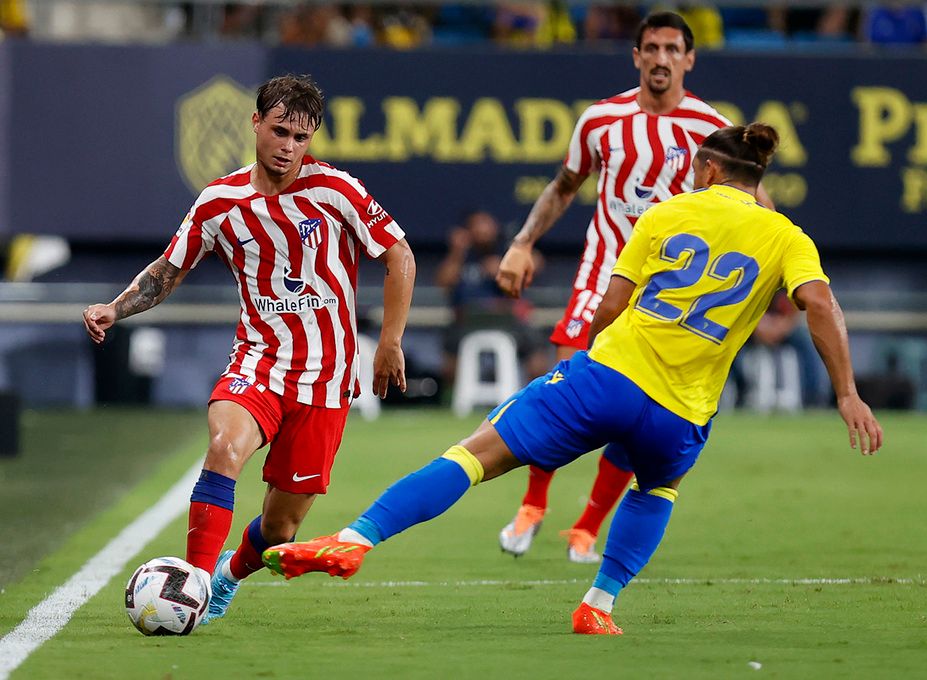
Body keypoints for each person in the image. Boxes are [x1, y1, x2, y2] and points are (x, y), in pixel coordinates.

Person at [260, 122, 882, 635]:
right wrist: (848, 393)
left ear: (710, 171)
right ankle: (598, 606)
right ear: (756, 179)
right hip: (684, 414)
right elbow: (821, 306)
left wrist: (582, 365)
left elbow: (610, 305)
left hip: (610, 375)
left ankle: (357, 538)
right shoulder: (787, 236)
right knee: (657, 490)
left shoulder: (667, 215)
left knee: (475, 455)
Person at [82, 74, 415, 624]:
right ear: (256, 122)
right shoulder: (220, 201)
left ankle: (226, 578)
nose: (288, 147)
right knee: (224, 448)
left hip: (326, 381)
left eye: (301, 138)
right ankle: (188, 589)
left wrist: (391, 342)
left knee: (281, 528)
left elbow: (398, 257)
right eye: (280, 130)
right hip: (257, 363)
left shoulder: (337, 190)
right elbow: (170, 267)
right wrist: (115, 308)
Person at [494, 10, 767, 564]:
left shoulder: (710, 129)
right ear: (636, 56)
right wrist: (522, 241)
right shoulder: (601, 120)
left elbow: (755, 205)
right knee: (563, 384)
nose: (662, 58)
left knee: (637, 411)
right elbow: (564, 185)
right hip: (603, 274)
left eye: (673, 49)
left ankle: (587, 526)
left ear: (689, 59)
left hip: (669, 294)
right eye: (652, 48)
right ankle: (532, 505)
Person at [435, 209, 549, 390]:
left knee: (537, 353)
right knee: (449, 354)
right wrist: (457, 251)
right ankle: (454, 401)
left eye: (486, 224)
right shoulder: (463, 254)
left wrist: (504, 267)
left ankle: (534, 397)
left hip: (508, 320)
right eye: (477, 225)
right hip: (468, 321)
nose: (482, 230)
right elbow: (443, 282)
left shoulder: (507, 246)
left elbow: (537, 263)